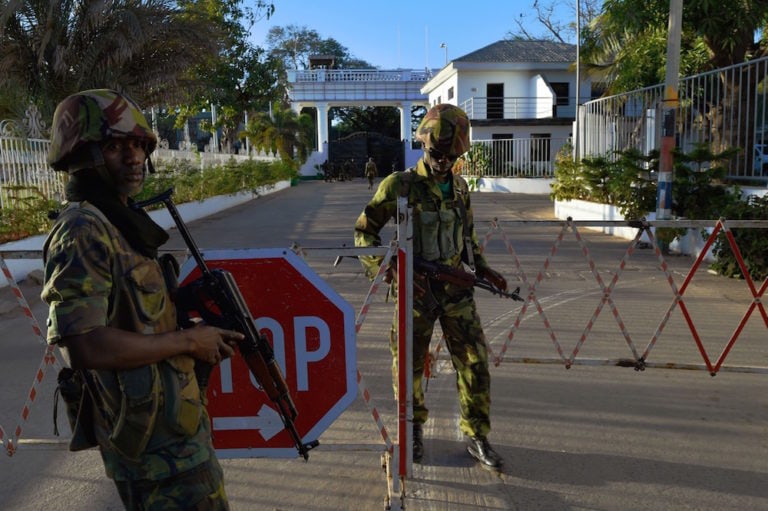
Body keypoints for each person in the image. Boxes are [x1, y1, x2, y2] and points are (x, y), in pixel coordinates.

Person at [41, 89, 243, 510]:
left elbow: (133, 320)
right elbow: (83, 344)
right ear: (82, 156)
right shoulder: (84, 228)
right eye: (115, 147)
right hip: (153, 453)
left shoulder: (119, 221)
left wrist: (186, 330)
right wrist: (189, 342)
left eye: (139, 145)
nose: (133, 158)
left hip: (171, 434)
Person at [354, 104, 508, 471]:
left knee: (475, 363)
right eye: (437, 153)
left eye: (451, 156)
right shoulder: (399, 185)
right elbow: (365, 232)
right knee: (408, 368)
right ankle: (413, 430)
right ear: (423, 145)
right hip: (415, 295)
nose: (443, 161)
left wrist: (484, 269)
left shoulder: (459, 187)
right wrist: (386, 268)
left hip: (456, 291)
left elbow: (467, 237)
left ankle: (476, 435)